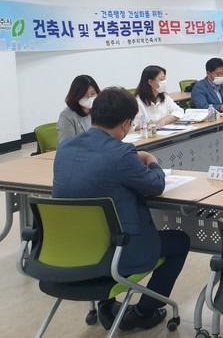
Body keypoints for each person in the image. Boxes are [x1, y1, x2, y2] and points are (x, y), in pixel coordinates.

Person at [53, 87, 190, 331]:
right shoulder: (122, 153)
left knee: (100, 225)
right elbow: (155, 185)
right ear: (126, 124)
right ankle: (143, 312)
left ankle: (106, 305)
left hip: (71, 250)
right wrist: (151, 162)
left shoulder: (65, 149)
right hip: (116, 252)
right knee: (179, 241)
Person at [57, 74, 100, 145]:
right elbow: (67, 145)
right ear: (77, 96)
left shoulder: (99, 109)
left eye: (93, 94)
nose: (90, 98)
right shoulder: (67, 116)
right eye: (85, 95)